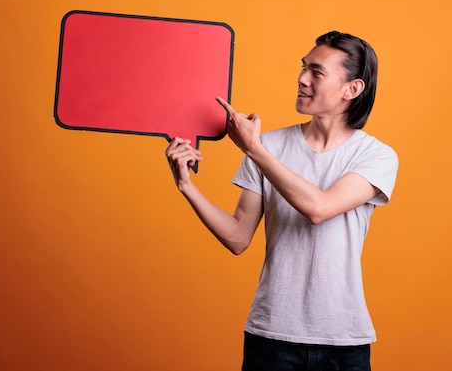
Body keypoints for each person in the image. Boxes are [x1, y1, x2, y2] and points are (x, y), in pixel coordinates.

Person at [165, 31, 399, 371]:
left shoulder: (376, 156)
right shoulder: (269, 147)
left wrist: (254, 150)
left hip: (343, 342)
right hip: (271, 336)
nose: (302, 79)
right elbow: (237, 237)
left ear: (353, 89)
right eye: (303, 68)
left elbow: (319, 209)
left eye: (316, 72)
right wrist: (186, 185)